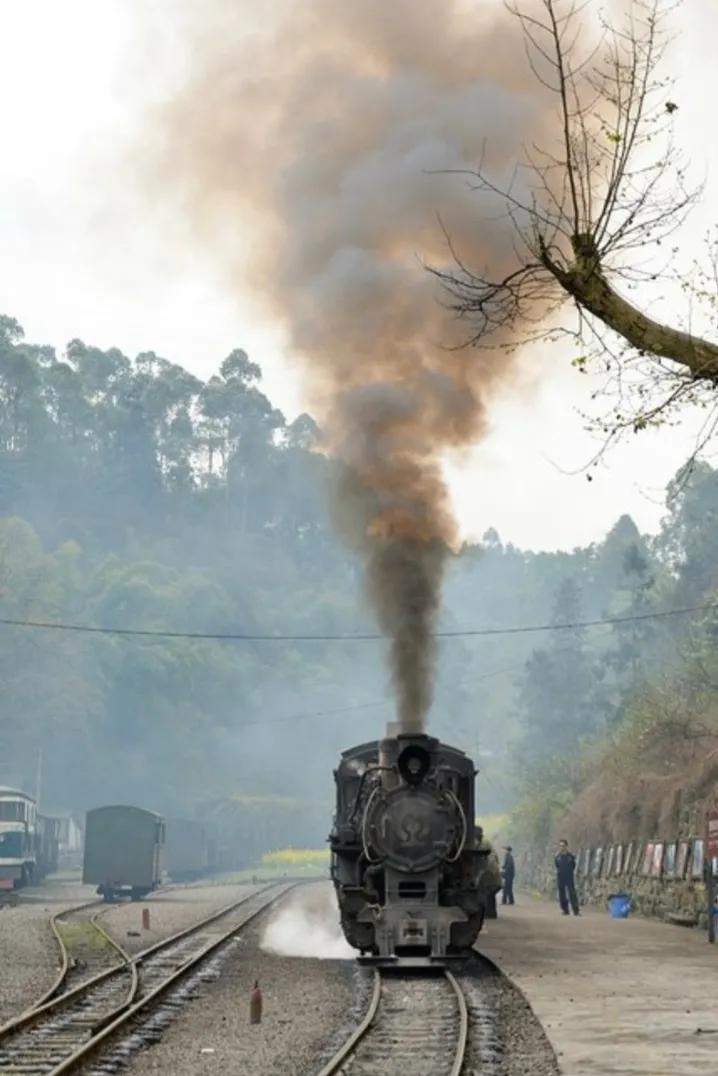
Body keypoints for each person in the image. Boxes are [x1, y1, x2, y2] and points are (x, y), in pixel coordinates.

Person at [555, 839, 580, 916]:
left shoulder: (570, 857)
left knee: (572, 893)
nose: (562, 847)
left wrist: (569, 872)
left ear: (566, 846)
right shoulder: (558, 857)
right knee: (562, 893)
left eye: (563, 846)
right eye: (560, 846)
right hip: (560, 876)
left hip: (569, 876)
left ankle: (575, 910)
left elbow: (573, 866)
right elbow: (557, 865)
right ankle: (565, 910)